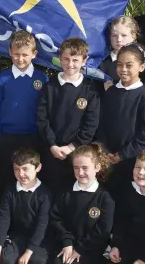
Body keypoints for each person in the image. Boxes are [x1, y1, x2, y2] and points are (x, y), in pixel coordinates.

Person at [36, 38, 100, 194]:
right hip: (51, 151)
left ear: (84, 61)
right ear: (60, 58)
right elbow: (41, 119)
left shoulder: (90, 91)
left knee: (72, 196)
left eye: (75, 60)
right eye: (66, 59)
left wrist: (72, 147)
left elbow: (90, 124)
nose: (70, 64)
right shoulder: (49, 87)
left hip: (77, 155)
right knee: (49, 194)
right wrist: (52, 145)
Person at [0, 30, 48, 190]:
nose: (20, 59)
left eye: (25, 54)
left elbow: (46, 110)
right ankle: (6, 214)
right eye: (16, 54)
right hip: (7, 138)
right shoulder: (3, 77)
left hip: (33, 138)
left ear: (34, 54)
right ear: (10, 52)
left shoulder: (41, 78)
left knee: (31, 181)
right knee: (7, 179)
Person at [97, 43, 145, 197]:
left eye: (129, 65)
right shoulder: (111, 93)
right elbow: (101, 124)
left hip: (132, 161)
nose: (123, 69)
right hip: (107, 159)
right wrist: (104, 150)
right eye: (120, 65)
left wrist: (122, 155)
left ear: (141, 67)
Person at [46, 143, 114, 264]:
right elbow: (56, 219)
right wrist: (67, 242)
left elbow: (103, 230)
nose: (80, 172)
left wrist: (80, 249)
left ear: (97, 167)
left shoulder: (105, 198)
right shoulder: (65, 193)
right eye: (76, 168)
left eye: (85, 167)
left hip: (91, 249)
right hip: (66, 246)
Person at [0, 148, 52, 264]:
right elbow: (3, 219)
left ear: (38, 167)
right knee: (6, 259)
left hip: (39, 239)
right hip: (16, 237)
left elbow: (42, 225)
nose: (21, 174)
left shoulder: (44, 194)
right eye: (16, 169)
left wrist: (28, 252)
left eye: (25, 169)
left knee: (38, 260)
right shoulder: (9, 191)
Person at [99, 16, 145, 91]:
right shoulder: (102, 63)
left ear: (133, 36)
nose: (119, 40)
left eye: (124, 35)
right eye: (114, 35)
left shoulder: (139, 61)